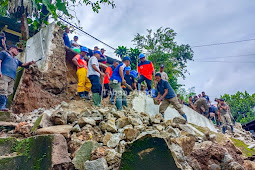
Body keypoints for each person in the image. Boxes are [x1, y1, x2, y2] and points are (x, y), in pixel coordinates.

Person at [0, 45, 35, 111]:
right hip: (4, 75)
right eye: (17, 50)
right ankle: (2, 107)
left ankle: (2, 106)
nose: (18, 52)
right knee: (2, 90)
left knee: (8, 92)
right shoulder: (4, 53)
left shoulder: (16, 60)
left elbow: (23, 65)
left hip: (12, 78)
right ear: (12, 48)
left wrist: (30, 63)